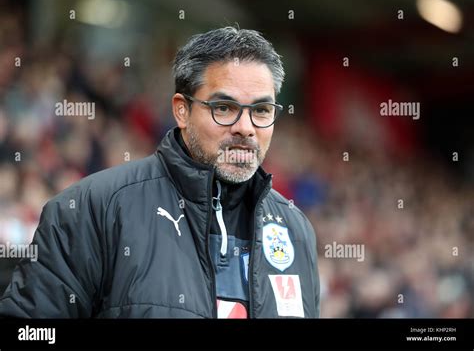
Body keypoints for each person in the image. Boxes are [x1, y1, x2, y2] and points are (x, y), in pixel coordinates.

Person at [0, 27, 320, 318]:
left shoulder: (296, 230)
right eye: (224, 108)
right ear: (182, 110)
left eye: (261, 111)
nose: (245, 128)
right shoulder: (92, 209)